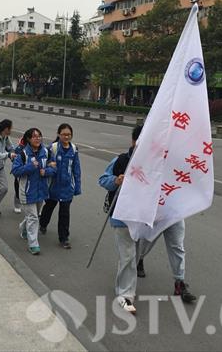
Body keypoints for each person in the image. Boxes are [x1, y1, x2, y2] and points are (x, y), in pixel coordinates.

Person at [98, 126, 196, 315]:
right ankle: (125, 294)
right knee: (128, 255)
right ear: (133, 141)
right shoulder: (122, 160)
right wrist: (116, 181)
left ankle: (179, 281)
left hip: (153, 215)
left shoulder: (160, 163)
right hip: (124, 216)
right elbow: (103, 179)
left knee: (172, 246)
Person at [11, 128, 57, 255]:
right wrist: (30, 166)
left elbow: (54, 168)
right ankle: (33, 244)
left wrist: (46, 171)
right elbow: (15, 171)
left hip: (41, 191)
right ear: (28, 139)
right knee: (33, 217)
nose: (37, 138)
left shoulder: (46, 152)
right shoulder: (23, 154)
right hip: (27, 192)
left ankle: (24, 228)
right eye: (34, 136)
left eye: (39, 136)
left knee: (33, 215)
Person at [39, 123, 81, 249]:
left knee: (64, 213)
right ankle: (43, 224)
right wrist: (48, 166)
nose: (66, 137)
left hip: (67, 187)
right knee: (49, 207)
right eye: (64, 134)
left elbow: (76, 169)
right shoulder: (52, 148)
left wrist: (77, 187)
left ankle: (64, 238)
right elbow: (43, 160)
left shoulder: (74, 149)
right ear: (58, 134)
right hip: (53, 186)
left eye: (69, 134)